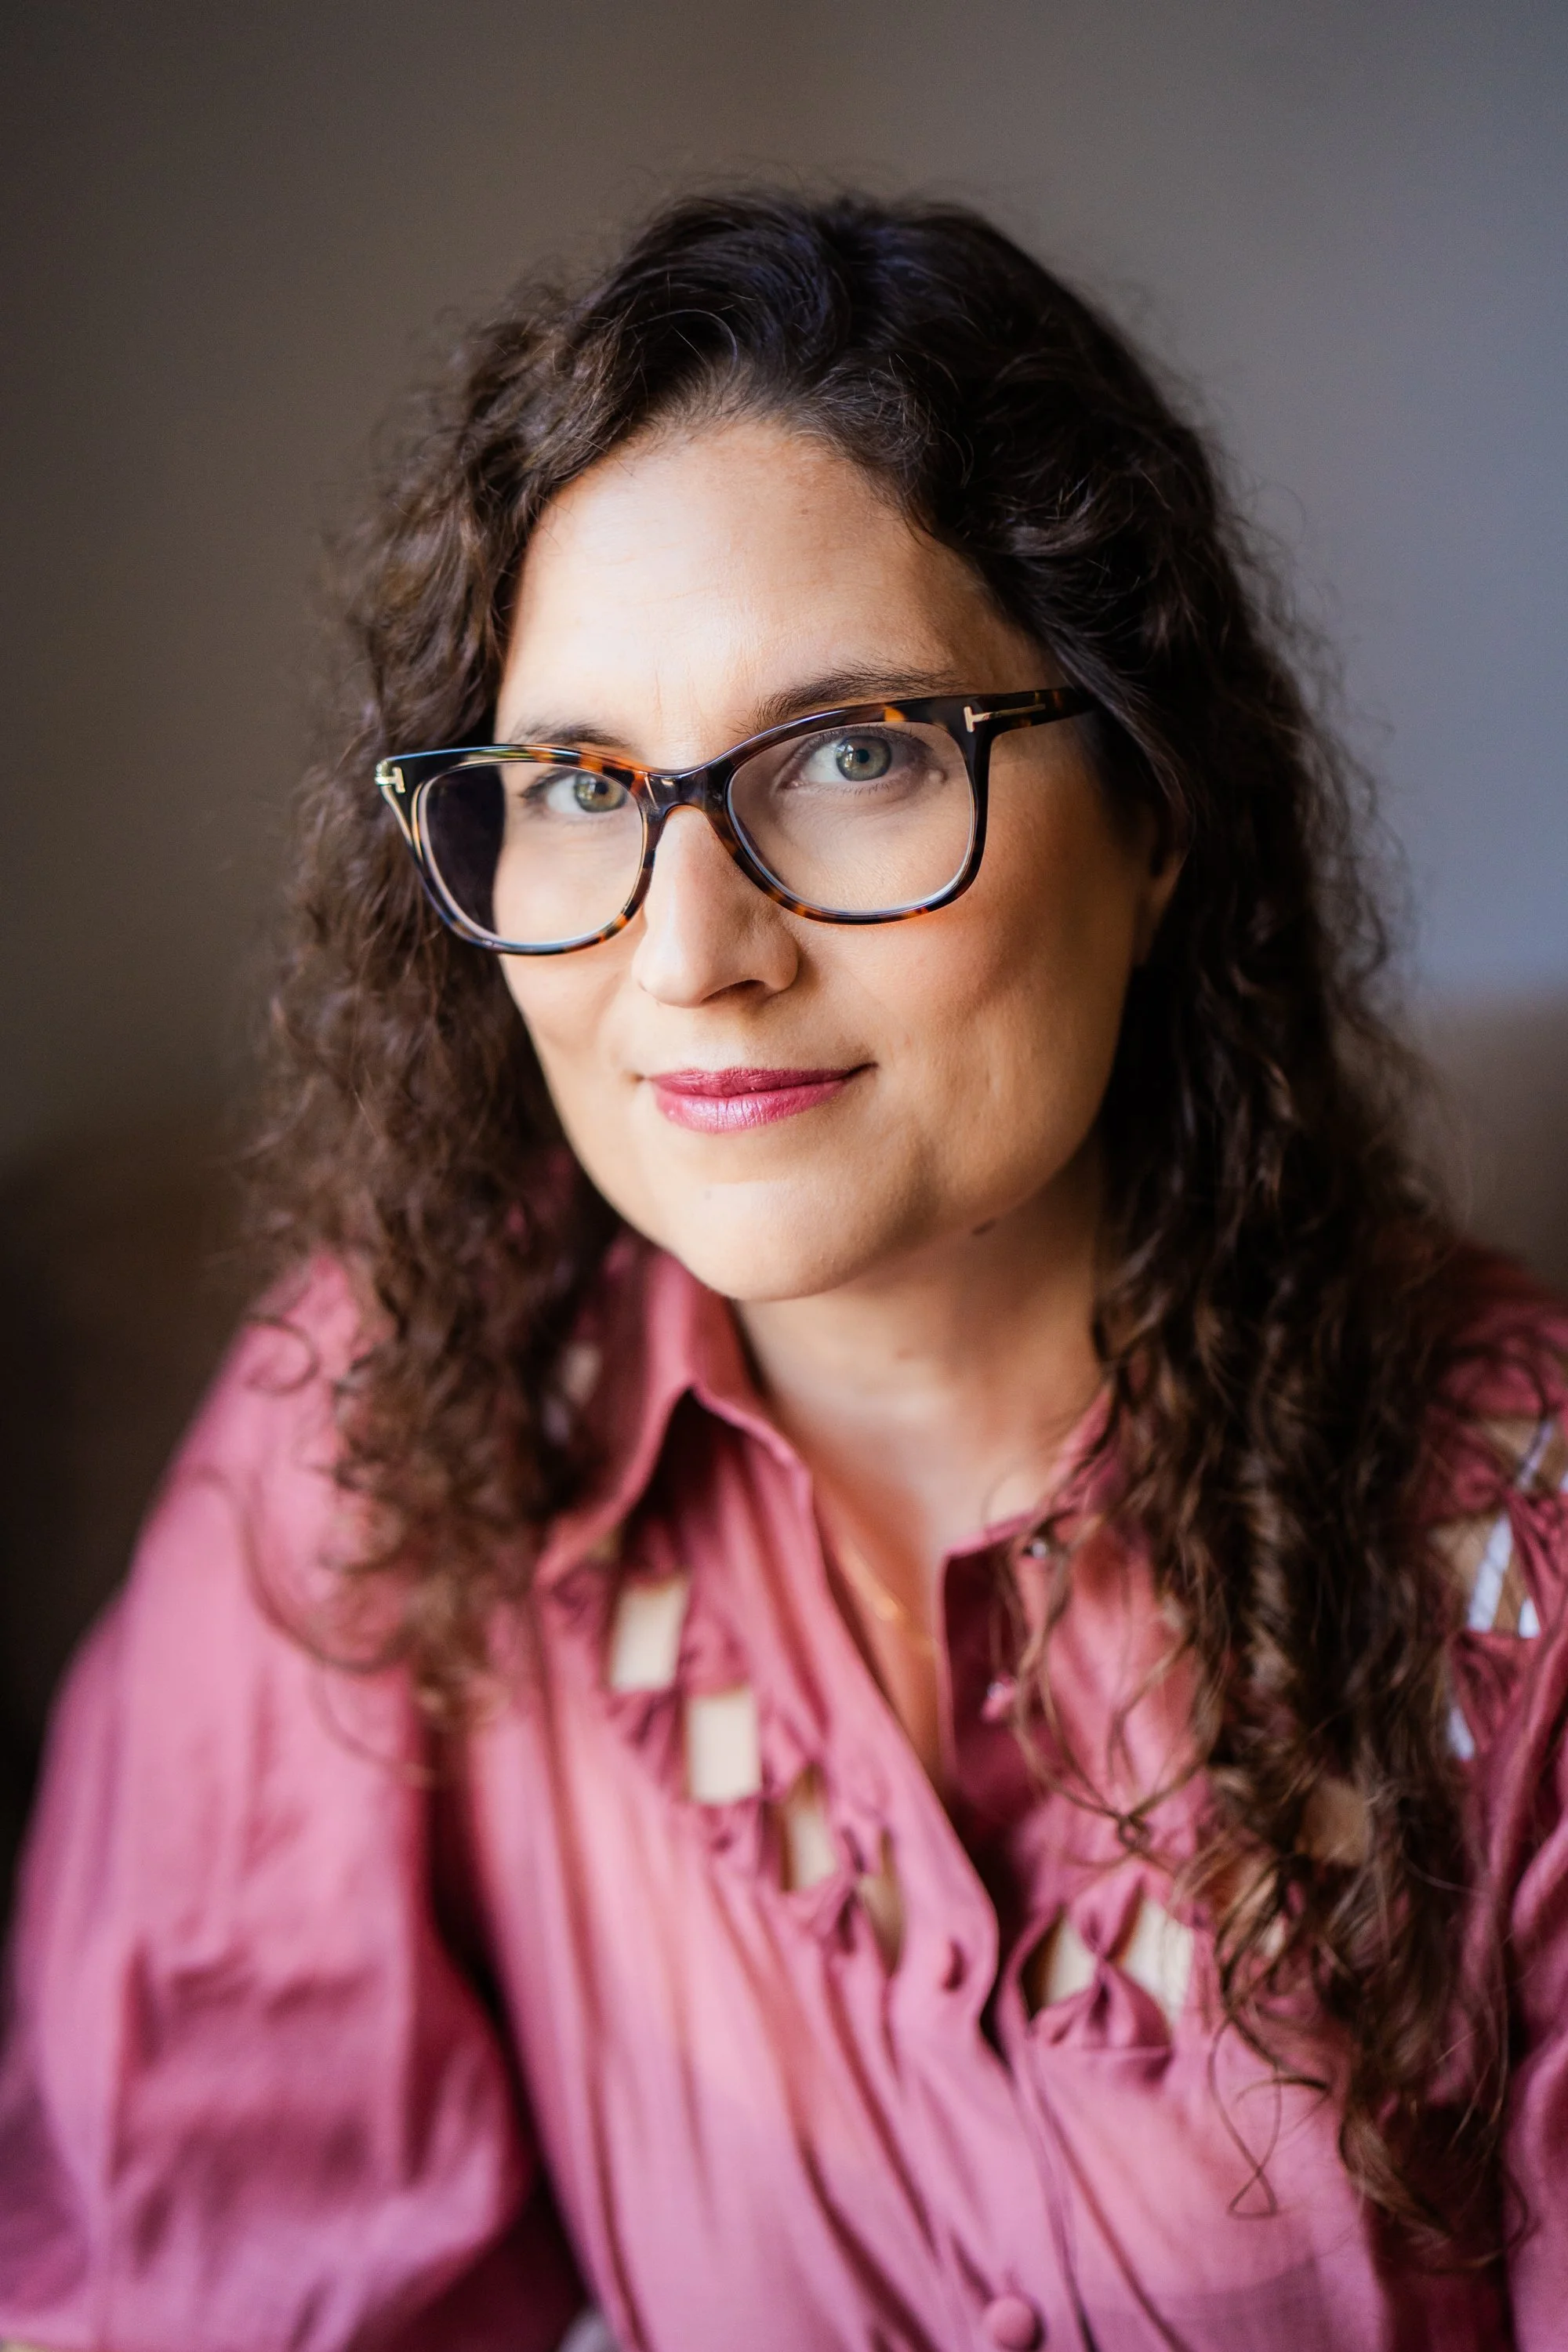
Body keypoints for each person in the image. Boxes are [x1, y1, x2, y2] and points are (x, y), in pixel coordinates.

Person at [2, 191, 1565, 2352]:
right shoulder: (372, 1443)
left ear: (1158, 805)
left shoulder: (1526, 1567)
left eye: (853, 756)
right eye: (575, 782)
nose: (689, 952)